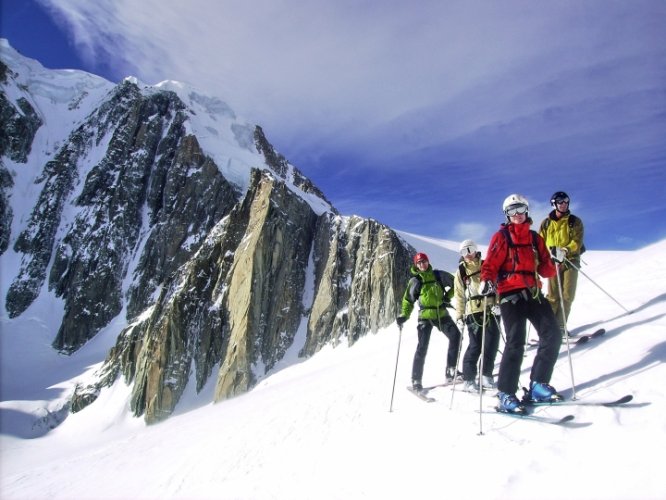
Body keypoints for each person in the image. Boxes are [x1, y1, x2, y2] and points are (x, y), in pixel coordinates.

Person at [478, 194, 563, 413]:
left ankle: (538, 384)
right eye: (512, 211)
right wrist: (487, 281)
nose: (516, 215)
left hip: (533, 293)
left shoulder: (535, 239)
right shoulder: (502, 237)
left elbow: (545, 269)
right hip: (509, 295)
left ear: (527, 210)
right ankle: (506, 393)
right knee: (515, 341)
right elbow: (490, 264)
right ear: (506, 215)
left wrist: (555, 261)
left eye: (520, 209)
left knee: (552, 333)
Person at [396, 252, 462, 392]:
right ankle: (416, 380)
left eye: (424, 261)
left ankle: (451, 371)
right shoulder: (415, 281)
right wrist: (404, 315)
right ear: (416, 265)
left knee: (455, 336)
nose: (422, 264)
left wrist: (447, 297)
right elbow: (408, 300)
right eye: (419, 263)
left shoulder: (438, 275)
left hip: (441, 314)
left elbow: (456, 283)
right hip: (425, 316)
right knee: (422, 347)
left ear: (428, 261)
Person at [453, 239, 500, 393]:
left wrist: (498, 303)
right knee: (475, 345)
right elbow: (459, 295)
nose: (467, 254)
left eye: (469, 250)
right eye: (463, 252)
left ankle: (486, 375)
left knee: (492, 344)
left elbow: (498, 284)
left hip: (491, 308)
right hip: (473, 311)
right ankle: (469, 379)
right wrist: (459, 315)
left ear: (475, 250)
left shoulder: (487, 265)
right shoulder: (460, 272)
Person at [539, 191, 584, 336]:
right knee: (552, 297)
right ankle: (548, 328)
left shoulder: (574, 222)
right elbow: (539, 243)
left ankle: (559, 326)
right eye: (560, 202)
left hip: (570, 261)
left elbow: (577, 242)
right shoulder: (546, 223)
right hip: (553, 263)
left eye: (566, 202)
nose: (564, 205)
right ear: (554, 204)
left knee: (567, 295)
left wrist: (564, 250)